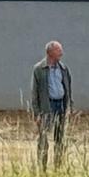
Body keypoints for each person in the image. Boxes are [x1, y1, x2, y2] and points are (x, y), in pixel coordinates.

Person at [29, 39, 72, 169]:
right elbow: (34, 93)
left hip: (61, 106)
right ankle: (42, 167)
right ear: (50, 52)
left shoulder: (63, 69)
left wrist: (69, 106)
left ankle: (58, 166)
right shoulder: (39, 69)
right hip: (47, 107)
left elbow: (68, 87)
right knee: (43, 138)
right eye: (58, 50)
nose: (62, 53)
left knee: (60, 138)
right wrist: (36, 113)